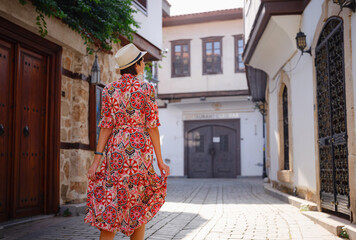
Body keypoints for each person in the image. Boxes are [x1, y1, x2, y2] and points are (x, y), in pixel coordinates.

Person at [84, 43, 170, 240]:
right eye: (142, 61)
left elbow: (105, 126)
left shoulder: (109, 90)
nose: (144, 64)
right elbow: (152, 126)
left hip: (116, 151)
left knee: (111, 203)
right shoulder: (147, 88)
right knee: (138, 204)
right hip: (139, 151)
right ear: (137, 65)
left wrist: (97, 160)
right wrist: (160, 160)